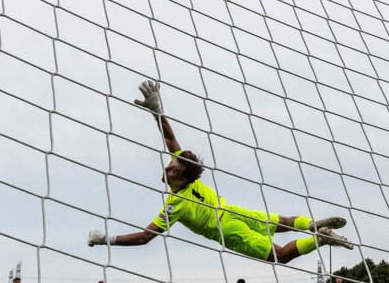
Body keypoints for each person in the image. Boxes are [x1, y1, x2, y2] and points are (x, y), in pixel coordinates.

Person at [88, 81, 351, 263]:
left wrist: (106, 239)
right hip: (234, 211)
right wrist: (157, 112)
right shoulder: (187, 178)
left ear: (181, 177)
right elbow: (170, 140)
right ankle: (312, 224)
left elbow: (145, 237)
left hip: (227, 229)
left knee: (279, 255)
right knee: (282, 222)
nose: (167, 167)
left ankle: (320, 238)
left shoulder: (175, 205)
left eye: (172, 168)